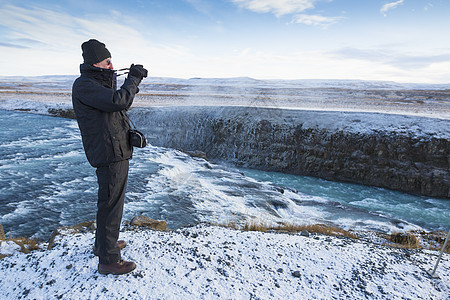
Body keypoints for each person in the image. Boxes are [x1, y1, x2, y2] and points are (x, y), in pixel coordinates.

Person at [72, 39, 147, 275]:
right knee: (111, 205)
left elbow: (117, 106)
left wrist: (115, 77)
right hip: (109, 153)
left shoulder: (95, 83)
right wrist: (133, 78)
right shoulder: (85, 85)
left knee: (109, 201)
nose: (112, 64)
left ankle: (104, 245)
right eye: (107, 61)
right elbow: (119, 101)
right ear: (96, 62)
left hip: (114, 150)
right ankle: (109, 259)